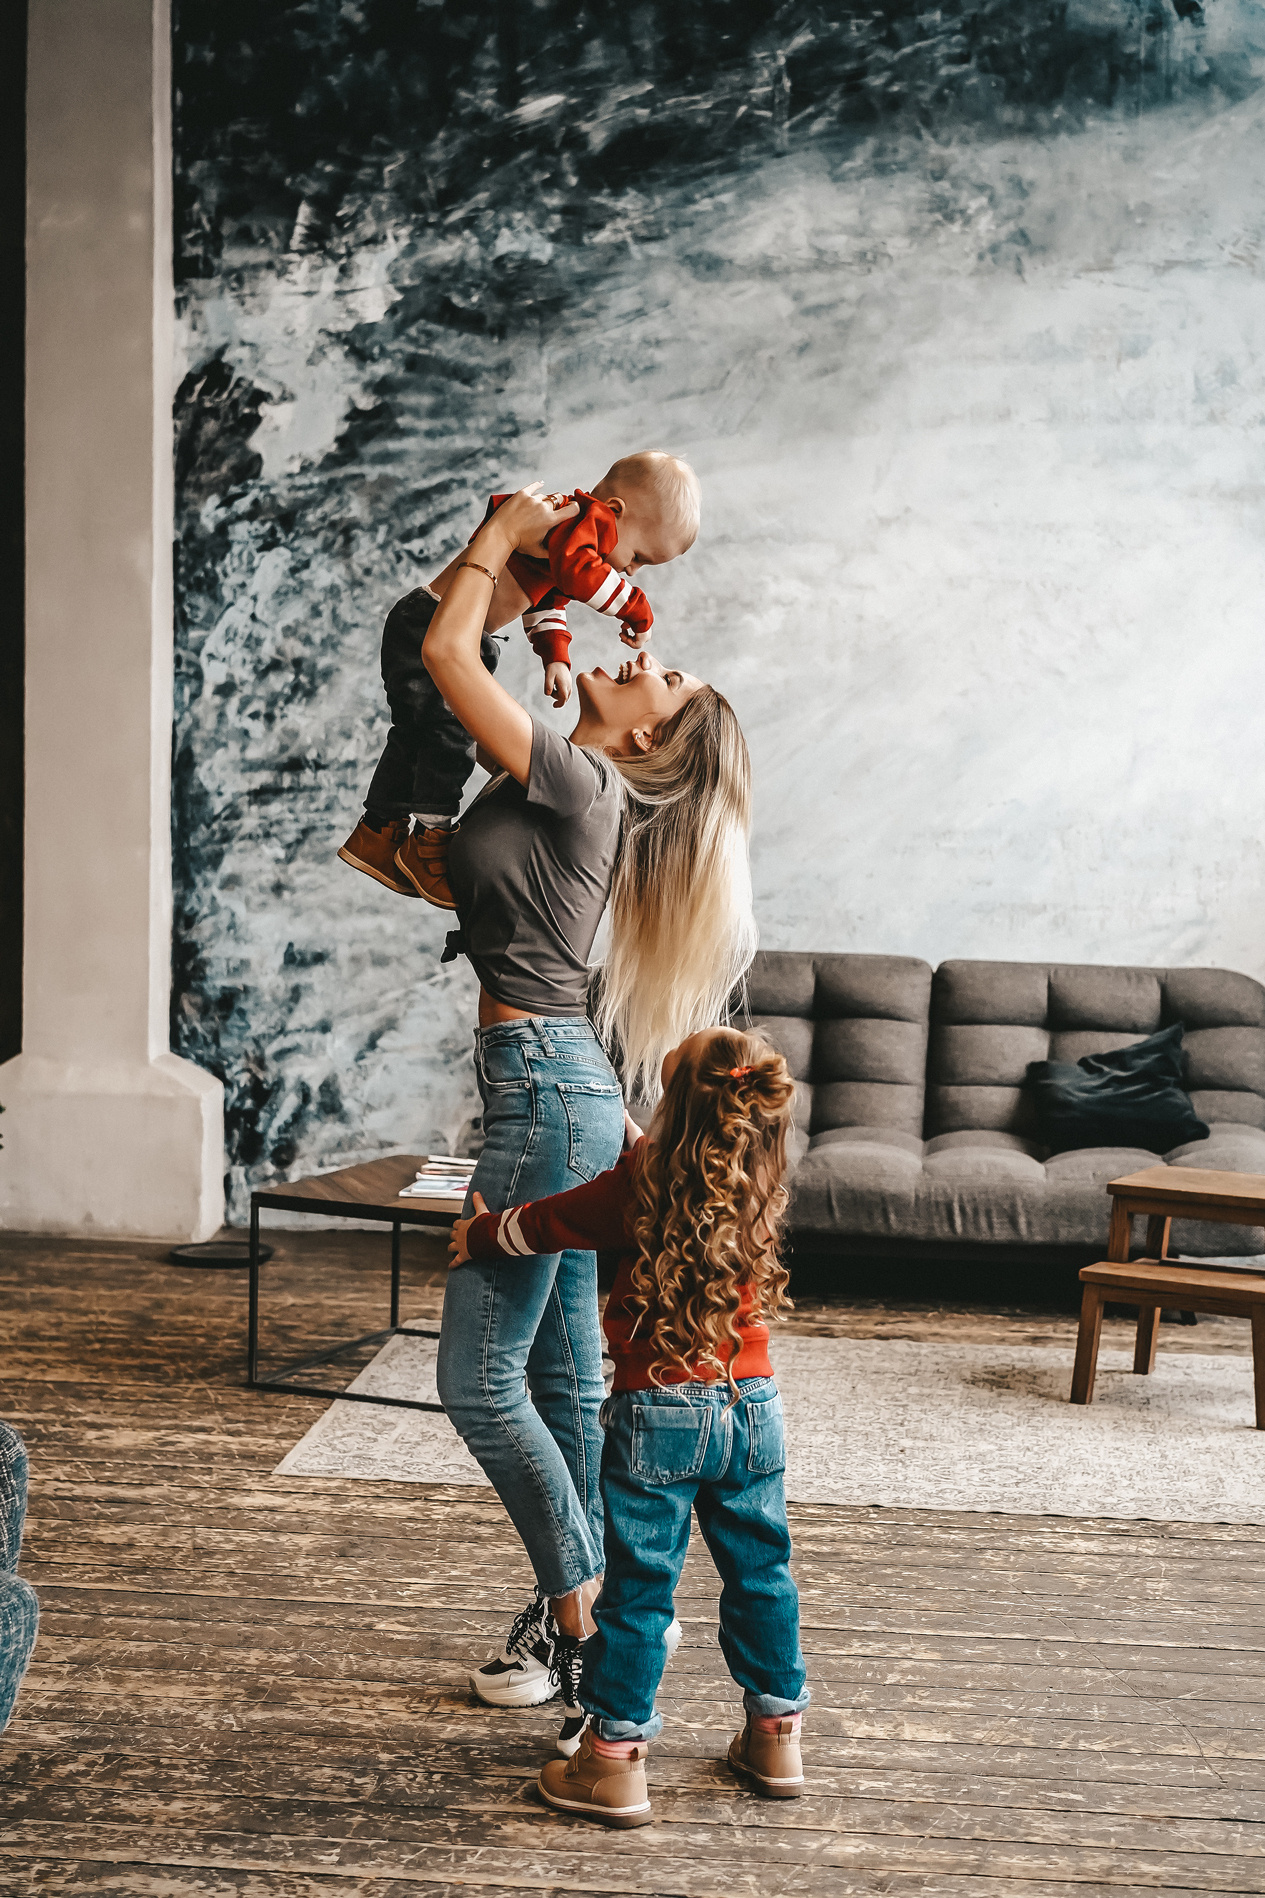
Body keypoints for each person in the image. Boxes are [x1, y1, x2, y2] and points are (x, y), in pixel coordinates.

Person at [415, 484, 757, 1733]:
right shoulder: (568, 765)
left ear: (652, 739)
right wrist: (540, 559)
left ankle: (581, 1619)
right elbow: (494, 638)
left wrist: (495, 539)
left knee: (475, 1381)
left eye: (662, 677)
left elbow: (449, 651)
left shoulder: (580, 788)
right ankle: (597, 1647)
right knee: (562, 1392)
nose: (643, 658)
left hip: (546, 1101)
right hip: (556, 1095)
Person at [449, 1025, 810, 1828]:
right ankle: (776, 1734)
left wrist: (475, 1231)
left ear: (674, 1111)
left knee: (640, 1596)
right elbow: (671, 1154)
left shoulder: (639, 1182)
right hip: (752, 1407)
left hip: (659, 1415)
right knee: (762, 1576)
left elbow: (541, 1225)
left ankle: (612, 1763)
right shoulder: (756, 1170)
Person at [337, 452, 701, 907]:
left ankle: (377, 832)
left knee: (416, 736)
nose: (629, 571)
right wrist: (636, 608)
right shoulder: (578, 521)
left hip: (448, 628)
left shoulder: (568, 539)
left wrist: (556, 656)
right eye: (639, 557)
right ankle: (430, 839)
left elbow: (547, 600)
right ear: (615, 511)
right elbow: (580, 577)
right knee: (448, 737)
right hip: (430, 623)